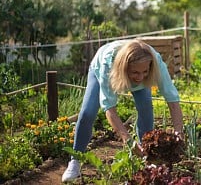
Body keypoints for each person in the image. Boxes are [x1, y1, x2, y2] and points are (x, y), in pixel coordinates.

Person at [62, 39, 184, 182]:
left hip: (134, 73)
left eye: (145, 71)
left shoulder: (155, 63)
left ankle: (147, 158)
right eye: (135, 72)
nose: (140, 77)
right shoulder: (108, 65)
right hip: (101, 68)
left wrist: (178, 132)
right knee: (87, 114)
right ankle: (75, 161)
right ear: (125, 68)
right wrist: (129, 141)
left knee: (146, 109)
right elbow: (109, 109)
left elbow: (172, 100)